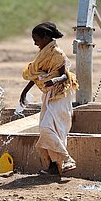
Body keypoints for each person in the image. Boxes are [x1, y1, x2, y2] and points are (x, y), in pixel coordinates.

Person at [20, 22, 79, 175]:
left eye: (37, 39)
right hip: (48, 93)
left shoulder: (57, 53)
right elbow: (37, 74)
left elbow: (64, 75)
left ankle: (66, 159)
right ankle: (54, 167)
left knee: (48, 128)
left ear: (46, 37)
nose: (35, 43)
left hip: (60, 94)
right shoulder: (42, 53)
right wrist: (24, 92)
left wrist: (53, 81)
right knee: (49, 129)